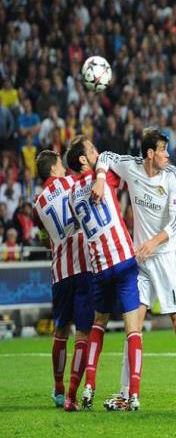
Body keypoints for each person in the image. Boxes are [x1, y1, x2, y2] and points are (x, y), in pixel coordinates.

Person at [91, 128, 176, 410]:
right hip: (140, 262)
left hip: (165, 257)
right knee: (133, 326)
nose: (168, 155)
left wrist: (152, 242)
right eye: (163, 150)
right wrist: (100, 178)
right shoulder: (132, 167)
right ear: (150, 153)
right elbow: (105, 156)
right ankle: (125, 393)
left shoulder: (172, 176)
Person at [66, 135, 143, 411]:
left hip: (99, 267)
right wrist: (101, 174)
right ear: (83, 159)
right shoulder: (105, 177)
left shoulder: (72, 195)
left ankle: (89, 386)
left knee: (98, 324)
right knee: (133, 329)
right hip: (122, 259)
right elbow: (114, 163)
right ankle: (134, 394)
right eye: (91, 149)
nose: (97, 151)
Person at [32, 150, 93, 411]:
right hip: (84, 266)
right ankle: (71, 395)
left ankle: (58, 389)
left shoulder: (37, 204)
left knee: (60, 332)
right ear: (54, 169)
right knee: (83, 332)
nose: (64, 168)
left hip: (60, 272)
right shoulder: (72, 182)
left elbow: (45, 239)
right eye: (60, 165)